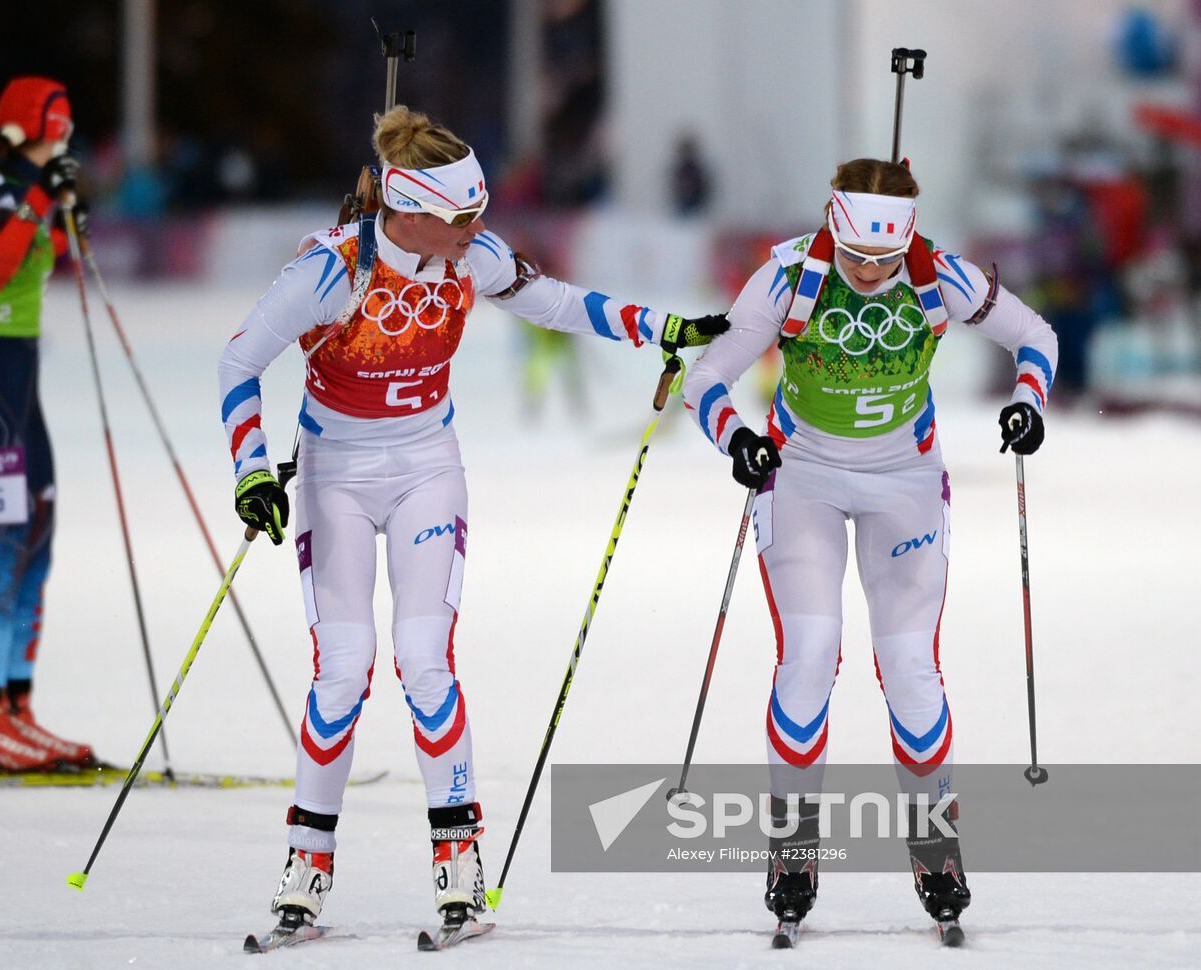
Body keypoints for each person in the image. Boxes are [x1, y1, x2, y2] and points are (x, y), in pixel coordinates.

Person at [217, 105, 727, 937]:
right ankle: (304, 875)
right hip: (335, 476)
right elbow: (239, 362)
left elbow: (557, 304)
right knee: (343, 667)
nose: (477, 230)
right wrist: (251, 472)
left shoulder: (470, 256)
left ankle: (460, 872)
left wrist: (658, 327)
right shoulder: (331, 270)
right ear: (408, 210)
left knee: (425, 659)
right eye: (461, 217)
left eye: (479, 212)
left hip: (426, 468)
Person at [683, 158, 1057, 935]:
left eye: (886, 259)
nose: (871, 272)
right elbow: (707, 377)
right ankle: (792, 847)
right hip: (804, 477)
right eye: (856, 256)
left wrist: (1029, 402)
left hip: (905, 481)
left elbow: (1035, 337)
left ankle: (935, 845)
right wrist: (736, 437)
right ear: (832, 225)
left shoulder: (937, 274)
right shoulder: (788, 274)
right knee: (810, 652)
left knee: (911, 668)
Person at [0, 77, 95, 774]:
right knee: (1, 551)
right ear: (24, 130)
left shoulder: (25, 193)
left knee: (37, 539)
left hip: (18, 385)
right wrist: (42, 199)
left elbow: (47, 257)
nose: (61, 139)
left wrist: (65, 211)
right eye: (52, 129)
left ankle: (15, 708)